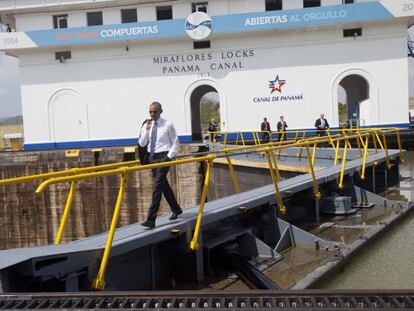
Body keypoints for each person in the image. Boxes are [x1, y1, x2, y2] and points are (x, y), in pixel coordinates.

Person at [138, 101, 183, 229]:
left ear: (160, 111)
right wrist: (146, 131)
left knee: (157, 186)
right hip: (152, 157)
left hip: (164, 157)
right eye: (150, 112)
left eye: (155, 112)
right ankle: (176, 209)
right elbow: (142, 144)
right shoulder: (147, 125)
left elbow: (176, 143)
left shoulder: (168, 124)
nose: (152, 114)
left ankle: (151, 219)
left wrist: (168, 158)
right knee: (163, 185)